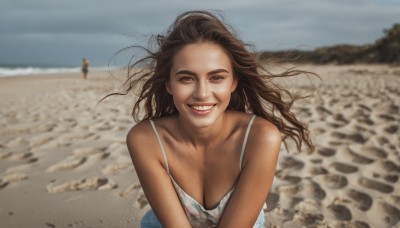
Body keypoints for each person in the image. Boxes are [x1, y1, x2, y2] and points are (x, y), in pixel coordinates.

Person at [116, 10, 314, 227]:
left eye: (216, 77)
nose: (202, 93)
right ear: (168, 84)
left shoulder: (260, 137)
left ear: (233, 83)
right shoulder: (146, 139)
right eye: (186, 78)